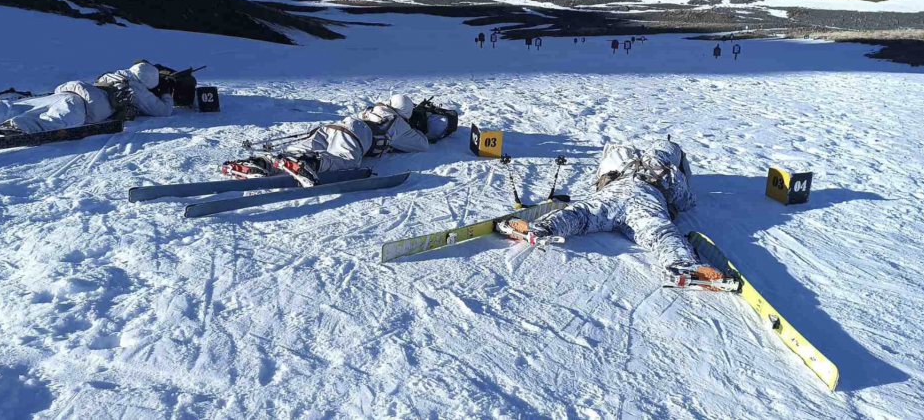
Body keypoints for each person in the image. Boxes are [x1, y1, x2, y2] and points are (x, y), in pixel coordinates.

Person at [498, 137, 726, 288]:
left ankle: (542, 228)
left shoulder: (626, 162)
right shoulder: (670, 172)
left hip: (615, 193)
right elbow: (686, 201)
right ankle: (683, 264)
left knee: (581, 214)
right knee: (661, 233)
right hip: (645, 200)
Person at [223, 94, 455, 186]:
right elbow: (422, 145)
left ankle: (260, 163)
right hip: (355, 136)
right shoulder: (398, 123)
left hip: (331, 127)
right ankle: (310, 163)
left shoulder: (372, 109)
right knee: (345, 161)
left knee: (289, 153)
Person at [0, 63, 173, 133]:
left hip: (69, 91)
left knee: (13, 107)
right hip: (82, 105)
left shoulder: (114, 74)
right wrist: (166, 94)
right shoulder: (137, 87)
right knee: (56, 122)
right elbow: (162, 111)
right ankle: (15, 130)